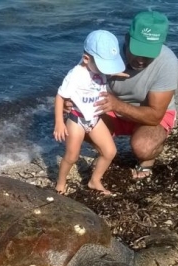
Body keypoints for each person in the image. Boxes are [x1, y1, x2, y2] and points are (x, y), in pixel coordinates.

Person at [93, 10, 178, 179]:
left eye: (148, 54)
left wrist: (117, 105)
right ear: (126, 38)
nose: (141, 59)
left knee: (144, 147)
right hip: (113, 108)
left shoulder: (167, 61)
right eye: (137, 50)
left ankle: (148, 160)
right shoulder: (108, 55)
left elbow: (155, 116)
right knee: (75, 121)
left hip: (151, 114)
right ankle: (106, 151)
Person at [53, 30, 126, 195]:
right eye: (104, 66)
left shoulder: (97, 67)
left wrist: (117, 72)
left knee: (110, 152)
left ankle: (94, 181)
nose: (105, 70)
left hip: (94, 118)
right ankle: (60, 182)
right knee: (72, 157)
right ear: (86, 59)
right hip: (77, 120)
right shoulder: (76, 75)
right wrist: (59, 122)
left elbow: (106, 70)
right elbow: (60, 96)